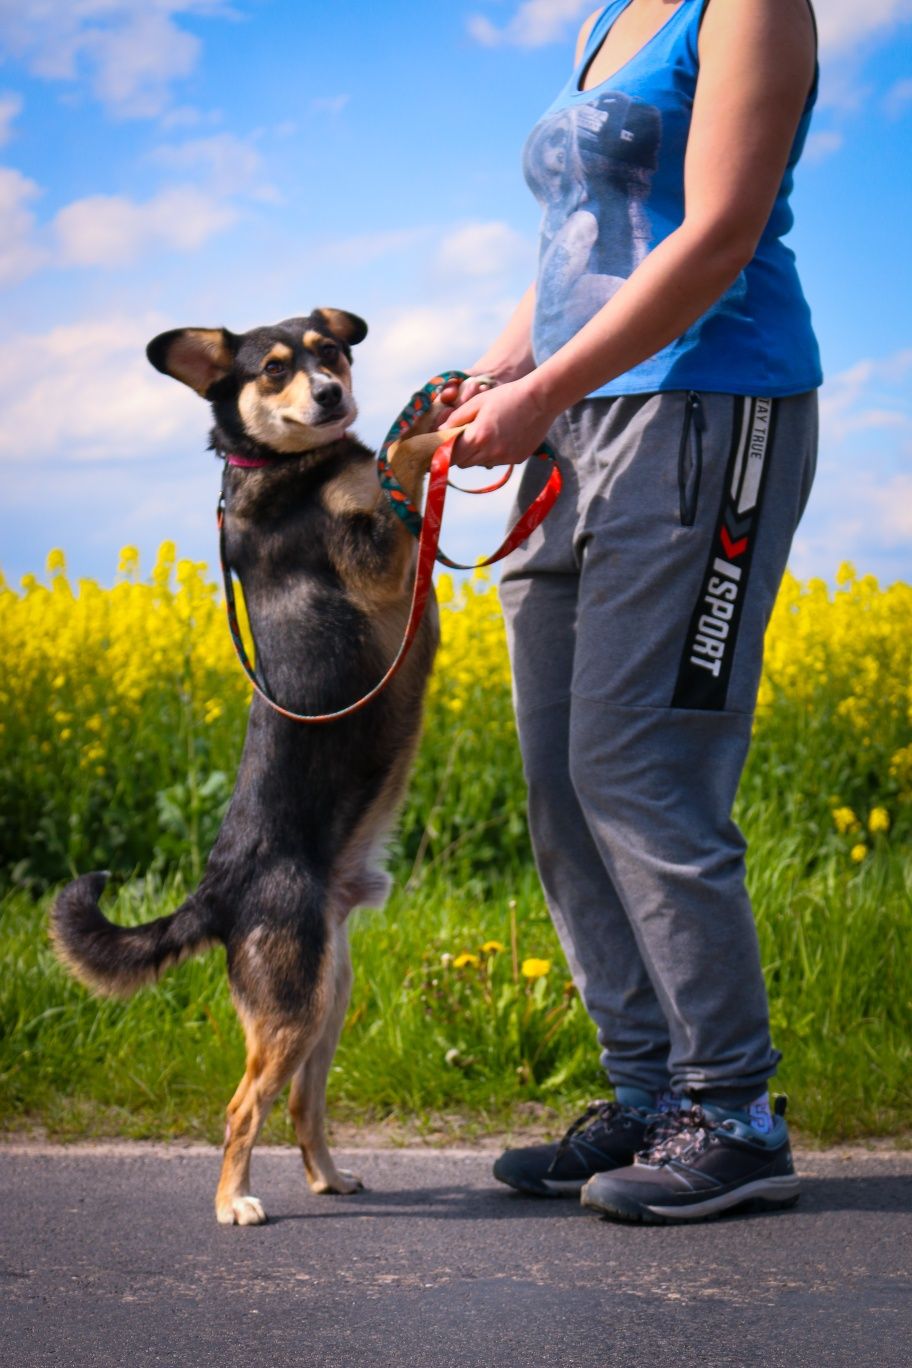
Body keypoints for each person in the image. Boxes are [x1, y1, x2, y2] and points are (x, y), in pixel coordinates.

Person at [437, 0, 821, 1223]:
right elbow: (574, 246)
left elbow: (716, 237)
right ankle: (651, 1093)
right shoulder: (610, 17)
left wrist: (544, 387)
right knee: (558, 775)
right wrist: (494, 376)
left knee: (638, 766)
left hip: (707, 402)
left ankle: (734, 1109)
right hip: (578, 412)